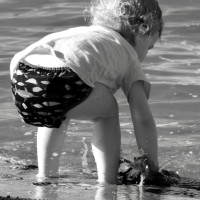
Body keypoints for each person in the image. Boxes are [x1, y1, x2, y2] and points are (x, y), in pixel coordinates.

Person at [10, 0, 163, 184]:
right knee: (108, 112)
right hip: (61, 78)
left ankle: (46, 175)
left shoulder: (85, 35)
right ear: (143, 29)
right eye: (149, 47)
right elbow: (142, 118)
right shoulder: (129, 55)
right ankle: (107, 182)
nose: (145, 55)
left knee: (59, 110)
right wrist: (152, 167)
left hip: (21, 76)